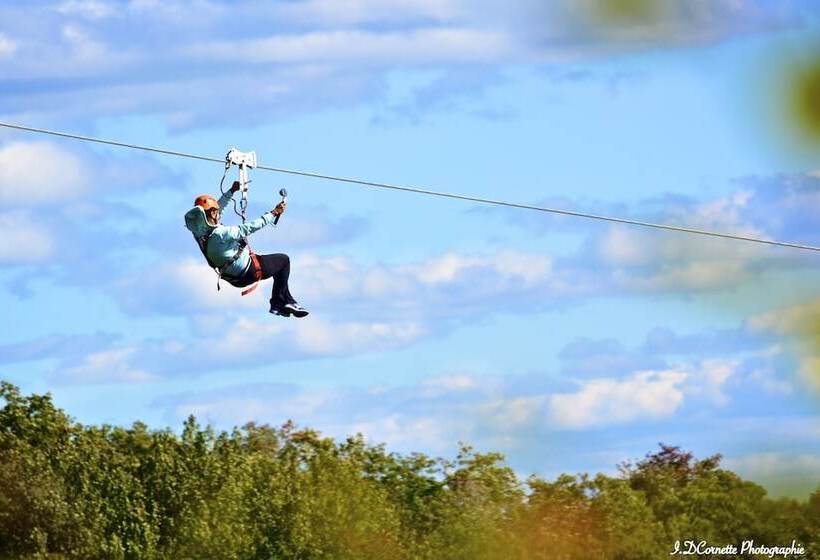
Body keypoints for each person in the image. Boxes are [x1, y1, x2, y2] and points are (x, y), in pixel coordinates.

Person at [184, 181, 308, 317]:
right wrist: (273, 213)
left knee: (277, 267)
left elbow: (219, 208)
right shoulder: (221, 233)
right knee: (284, 261)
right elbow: (249, 228)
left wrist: (231, 191)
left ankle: (279, 304)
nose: (218, 212)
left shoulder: (200, 234)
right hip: (249, 271)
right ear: (213, 214)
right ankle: (280, 303)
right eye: (216, 211)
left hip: (233, 278)